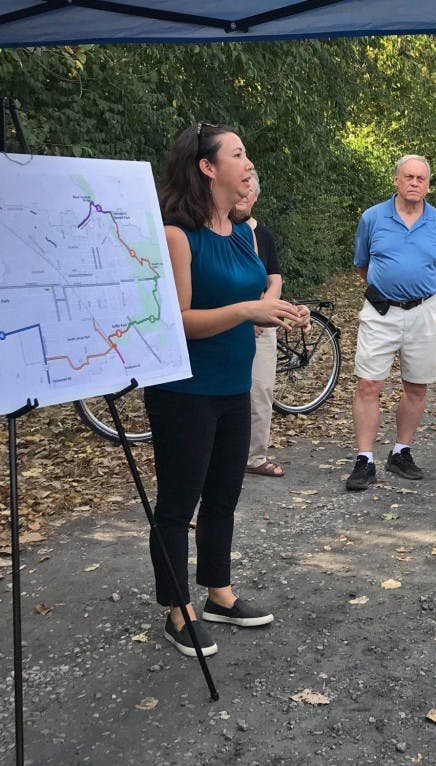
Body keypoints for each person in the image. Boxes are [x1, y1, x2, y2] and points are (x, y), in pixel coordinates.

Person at [148, 122, 309, 657]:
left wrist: (283, 311)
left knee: (223, 496)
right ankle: (177, 610)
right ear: (208, 167)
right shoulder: (176, 234)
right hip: (184, 392)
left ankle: (218, 593)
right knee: (178, 504)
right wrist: (249, 309)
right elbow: (181, 321)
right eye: (238, 154)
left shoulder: (243, 232)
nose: (248, 163)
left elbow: (255, 301)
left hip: (233, 387)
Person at [345, 154, 436, 491]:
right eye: (408, 177)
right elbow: (362, 265)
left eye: (421, 179)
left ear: (428, 185)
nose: (414, 183)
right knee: (368, 385)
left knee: (416, 385)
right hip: (381, 312)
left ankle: (401, 451)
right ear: (396, 180)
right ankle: (365, 458)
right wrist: (390, 288)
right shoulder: (372, 218)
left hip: (423, 312)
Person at [238, 170, 286, 478]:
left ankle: (254, 456)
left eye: (248, 194)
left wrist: (263, 311)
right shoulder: (219, 231)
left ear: (255, 197)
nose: (243, 199)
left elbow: (275, 277)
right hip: (227, 322)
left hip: (261, 325)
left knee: (261, 389)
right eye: (239, 193)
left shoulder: (263, 234)